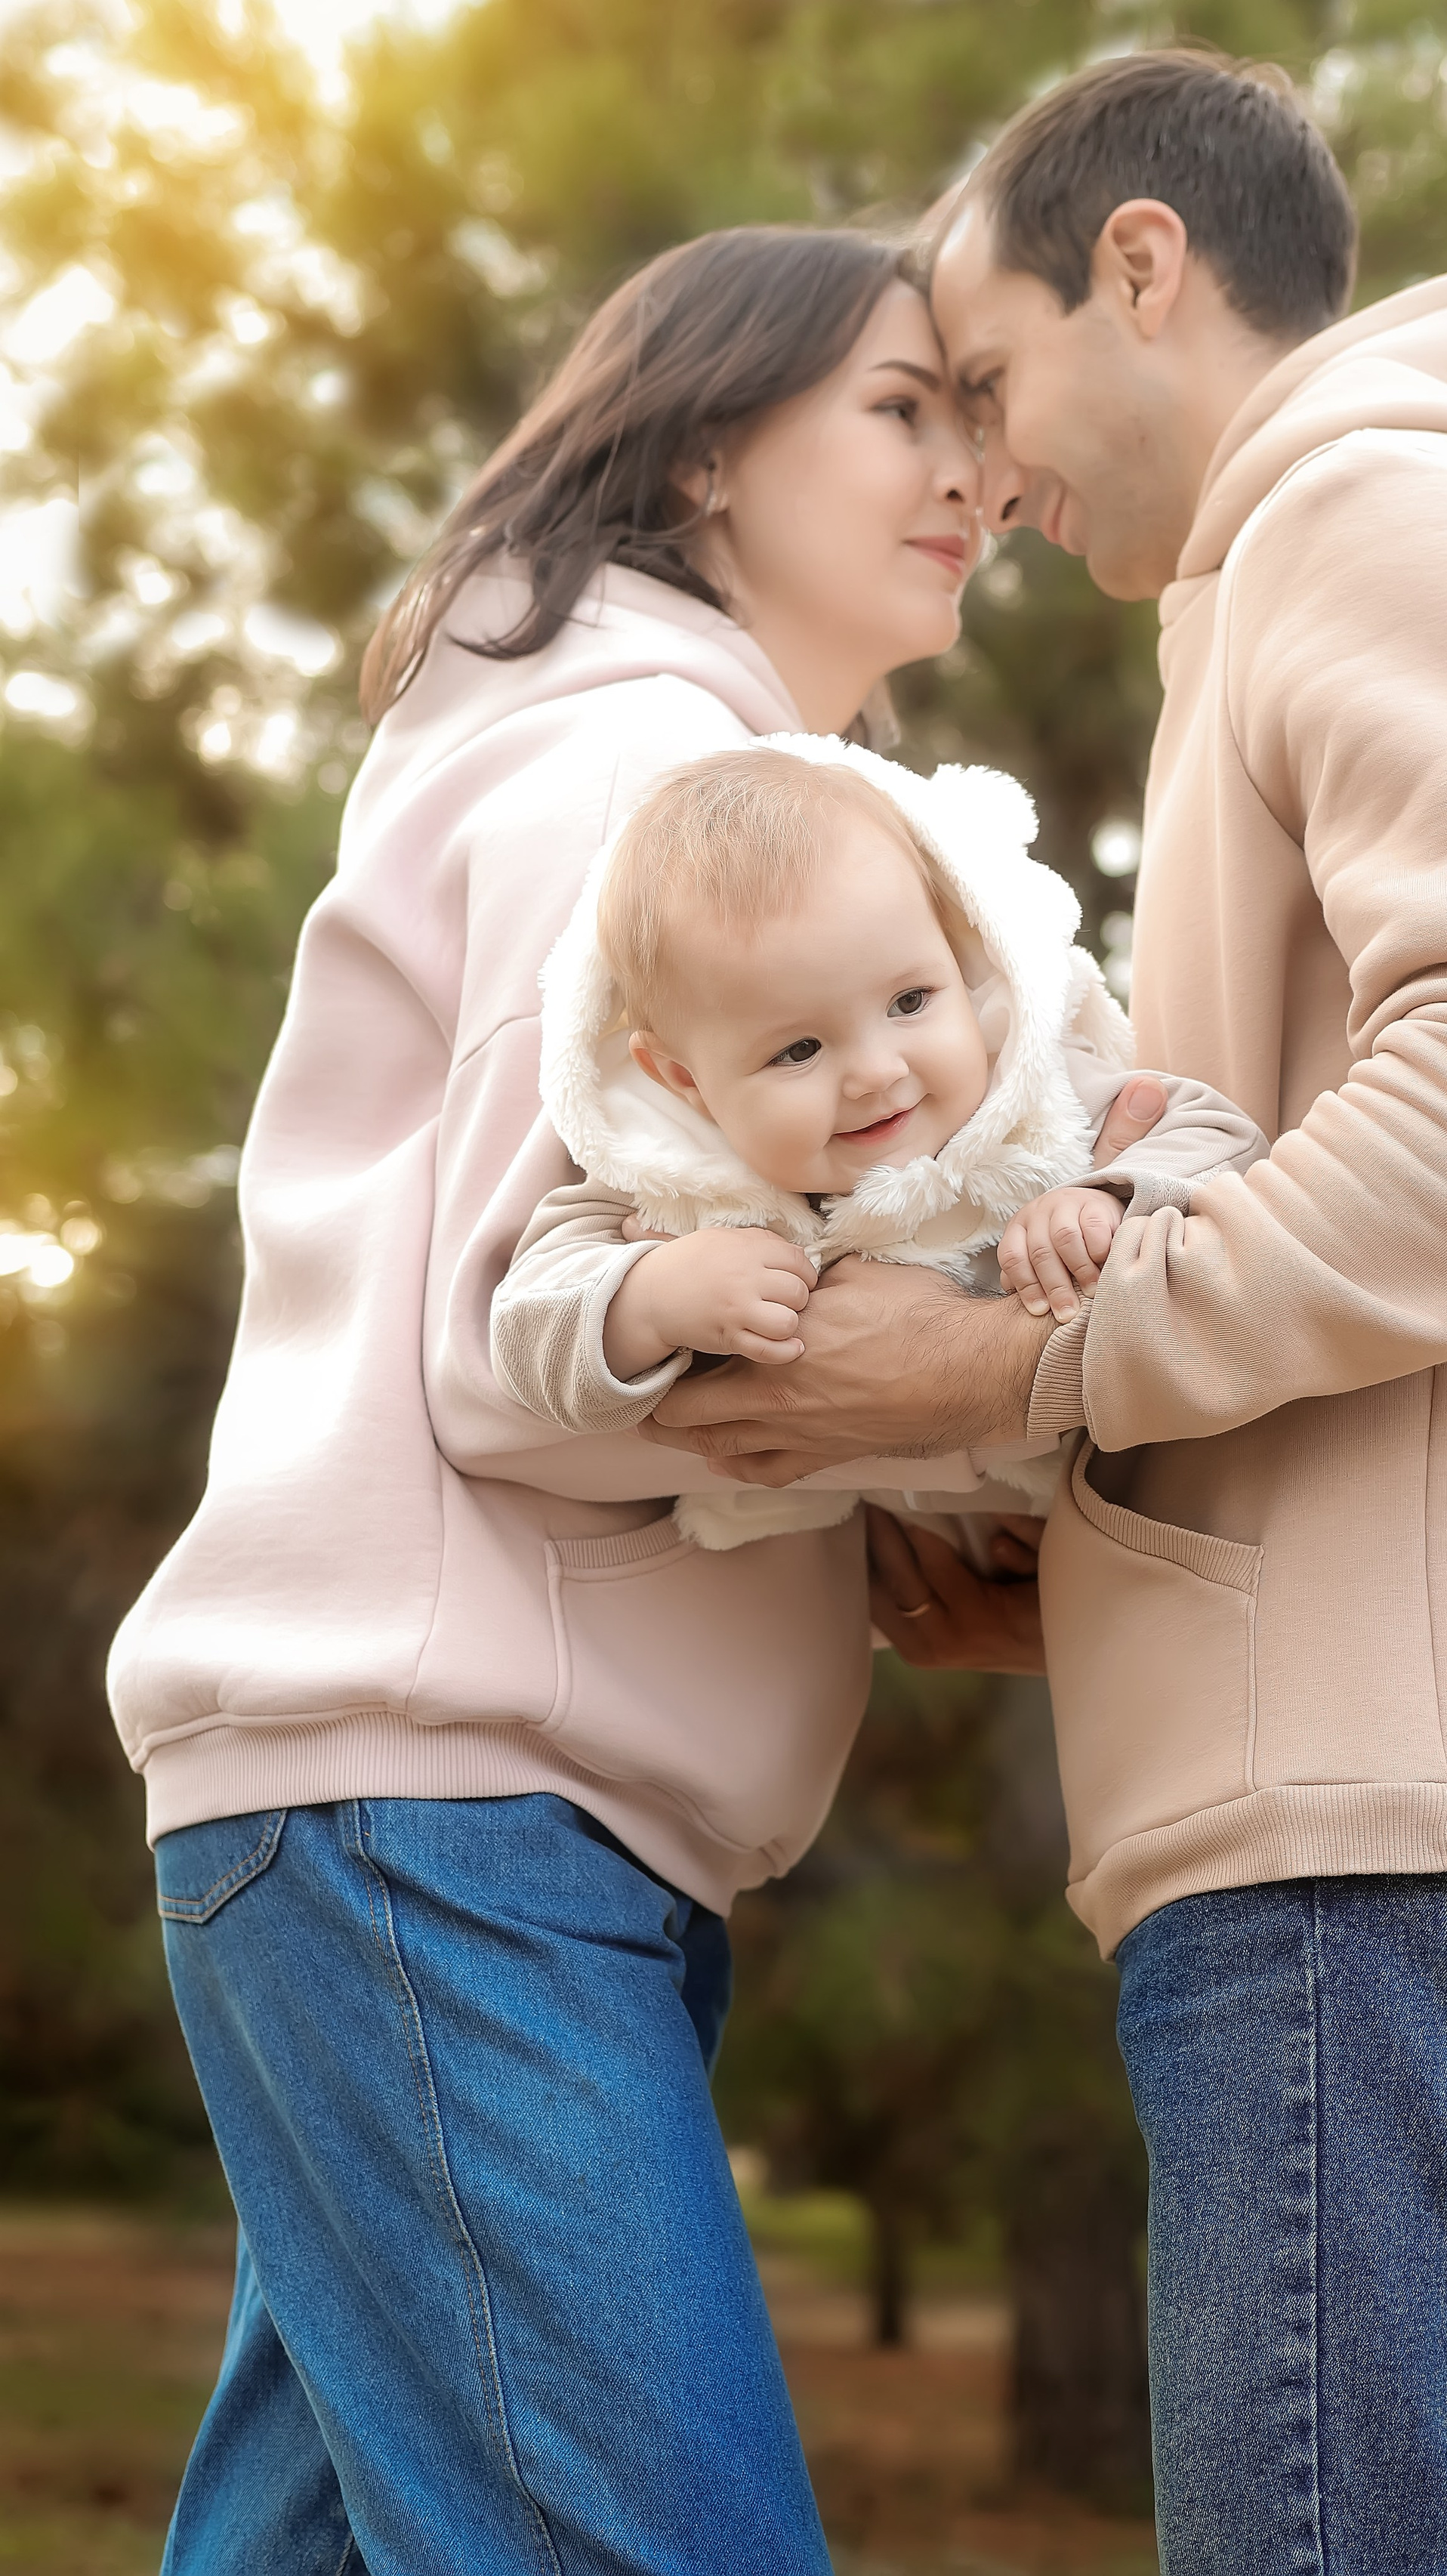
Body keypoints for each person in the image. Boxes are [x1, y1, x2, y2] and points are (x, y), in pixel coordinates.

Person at [640, 53, 1447, 2576]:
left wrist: (1012, 1366)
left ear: (1145, 269)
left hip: (1375, 1823)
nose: (977, 481)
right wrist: (1071, 1516)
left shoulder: (1379, 519)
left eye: (986, 389)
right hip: (1379, 1770)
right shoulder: (1368, 552)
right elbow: (1371, 1218)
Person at [106, 223, 1151, 2575]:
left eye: (974, 416)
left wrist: (897, 1524)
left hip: (439, 1817)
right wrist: (997, 1397)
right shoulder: (656, 775)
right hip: (450, 1812)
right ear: (703, 448)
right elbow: (528, 1366)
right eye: (901, 408)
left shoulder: (611, 753)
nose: (970, 465)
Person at [489, 735, 1264, 1549]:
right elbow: (523, 1335)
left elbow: (1226, 1140)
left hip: (1127, 1517)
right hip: (905, 1557)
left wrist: (1104, 1195)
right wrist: (645, 1297)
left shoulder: (1038, 1096)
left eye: (909, 1000)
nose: (873, 1072)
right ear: (684, 1079)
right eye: (797, 1050)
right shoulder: (671, 1174)